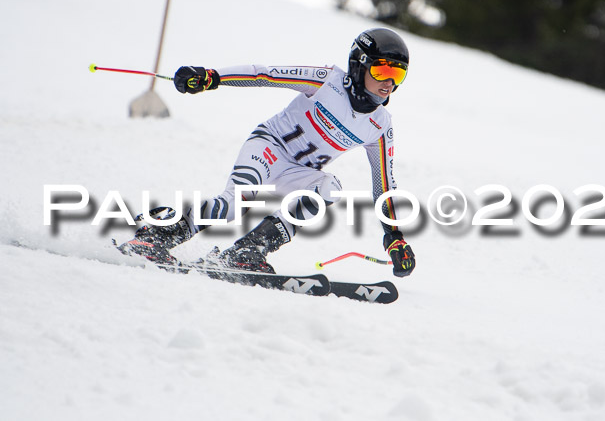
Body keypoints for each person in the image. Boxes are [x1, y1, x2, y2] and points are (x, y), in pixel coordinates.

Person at [118, 27, 416, 277]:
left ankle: (248, 251)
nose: (389, 83)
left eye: (398, 75)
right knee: (232, 207)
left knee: (329, 188)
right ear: (359, 65)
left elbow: (384, 186)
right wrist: (212, 77)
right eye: (382, 70)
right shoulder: (327, 80)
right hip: (270, 147)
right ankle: (156, 235)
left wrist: (394, 237)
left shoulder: (379, 126)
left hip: (297, 173)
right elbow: (265, 74)